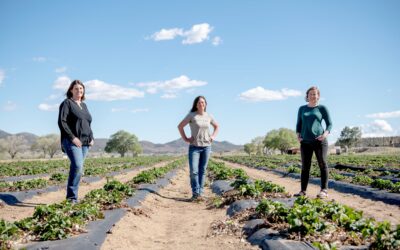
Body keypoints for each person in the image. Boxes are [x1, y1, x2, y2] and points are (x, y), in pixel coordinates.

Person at [58, 80, 94, 203]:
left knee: (78, 168)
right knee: (78, 166)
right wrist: (73, 138)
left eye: (81, 89)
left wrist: (91, 137)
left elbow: (88, 123)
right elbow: (62, 122)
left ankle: (73, 197)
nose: (79, 91)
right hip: (71, 141)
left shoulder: (84, 105)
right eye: (76, 88)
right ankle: (71, 198)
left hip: (85, 143)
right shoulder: (67, 103)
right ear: (71, 90)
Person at [178, 96, 219, 201]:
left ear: (205, 104)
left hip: (206, 147)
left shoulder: (208, 116)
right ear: (196, 104)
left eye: (203, 102)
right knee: (194, 171)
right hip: (194, 147)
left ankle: (200, 193)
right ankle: (195, 193)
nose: (201, 104)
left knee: (203, 170)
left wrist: (213, 136)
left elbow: (217, 126)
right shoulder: (192, 115)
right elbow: (180, 126)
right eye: (199, 102)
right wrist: (186, 139)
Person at [295, 86, 332, 198]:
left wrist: (324, 135)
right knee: (305, 166)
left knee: (322, 164)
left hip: (319, 141)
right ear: (307, 96)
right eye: (311, 94)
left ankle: (324, 190)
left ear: (318, 96)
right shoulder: (302, 109)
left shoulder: (322, 108)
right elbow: (298, 124)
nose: (313, 96)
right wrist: (298, 135)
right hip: (305, 142)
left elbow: (329, 124)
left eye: (315, 94)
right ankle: (303, 191)